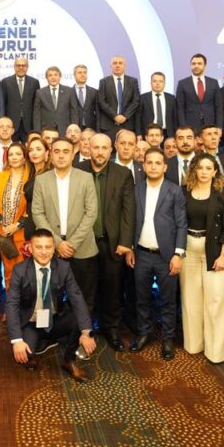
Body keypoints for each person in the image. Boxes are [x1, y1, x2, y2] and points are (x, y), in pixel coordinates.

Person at [5, 228, 96, 381]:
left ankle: (69, 360)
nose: (43, 252)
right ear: (30, 248)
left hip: (54, 320)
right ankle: (36, 345)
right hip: (31, 322)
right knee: (24, 354)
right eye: (39, 247)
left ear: (54, 248)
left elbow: (77, 298)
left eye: (48, 247)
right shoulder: (20, 270)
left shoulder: (63, 267)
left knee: (78, 320)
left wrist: (86, 332)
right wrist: (16, 341)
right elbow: (11, 304)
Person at [31, 137, 99, 317]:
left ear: (73, 155)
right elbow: (37, 213)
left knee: (82, 297)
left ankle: (82, 330)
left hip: (82, 248)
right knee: (50, 296)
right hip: (50, 249)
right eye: (57, 151)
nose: (61, 156)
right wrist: (57, 242)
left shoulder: (86, 178)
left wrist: (72, 243)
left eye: (66, 151)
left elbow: (91, 213)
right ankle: (48, 330)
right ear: (50, 155)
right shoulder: (41, 180)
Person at [178, 154, 224, 364]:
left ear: (215, 172)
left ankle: (215, 352)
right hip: (188, 249)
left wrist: (223, 255)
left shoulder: (223, 193)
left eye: (208, 168)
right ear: (193, 170)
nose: (203, 172)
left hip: (215, 251)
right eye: (200, 167)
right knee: (190, 300)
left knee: (215, 302)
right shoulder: (183, 191)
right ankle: (194, 345)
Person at [129, 148, 186, 359]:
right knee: (142, 298)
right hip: (141, 253)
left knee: (168, 300)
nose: (153, 166)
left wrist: (178, 254)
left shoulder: (174, 191)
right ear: (143, 166)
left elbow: (181, 224)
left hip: (167, 255)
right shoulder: (136, 189)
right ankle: (143, 333)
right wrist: (130, 248)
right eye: (149, 162)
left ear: (164, 167)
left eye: (157, 163)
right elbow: (130, 221)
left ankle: (168, 338)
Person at [85, 132, 135, 351]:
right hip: (84, 241)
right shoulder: (78, 170)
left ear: (111, 150)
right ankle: (85, 328)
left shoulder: (123, 174)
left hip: (112, 242)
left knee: (112, 288)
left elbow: (128, 210)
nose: (100, 152)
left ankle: (111, 327)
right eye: (96, 147)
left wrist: (126, 241)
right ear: (88, 149)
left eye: (104, 148)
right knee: (85, 287)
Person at [0, 142, 31, 293]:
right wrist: (2, 224)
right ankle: (11, 302)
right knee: (8, 271)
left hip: (22, 231)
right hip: (4, 233)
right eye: (11, 154)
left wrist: (17, 225)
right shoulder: (1, 176)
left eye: (18, 154)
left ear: (24, 157)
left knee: (24, 271)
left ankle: (25, 303)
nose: (14, 157)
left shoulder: (31, 177)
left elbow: (32, 206)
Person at [175, 53, 222, 130]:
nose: (196, 66)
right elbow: (180, 107)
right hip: (190, 125)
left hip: (210, 124)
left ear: (205, 65)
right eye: (193, 64)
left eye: (199, 63)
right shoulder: (182, 83)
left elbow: (218, 107)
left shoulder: (214, 82)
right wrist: (183, 127)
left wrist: (219, 127)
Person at [97, 55, 139, 140]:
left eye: (120, 63)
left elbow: (135, 101)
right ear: (110, 66)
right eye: (115, 63)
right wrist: (115, 116)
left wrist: (125, 116)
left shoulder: (133, 81)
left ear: (125, 66)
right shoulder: (103, 82)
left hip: (127, 124)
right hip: (109, 125)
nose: (117, 65)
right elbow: (101, 101)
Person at [1, 58, 38, 142]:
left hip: (28, 125)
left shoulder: (34, 82)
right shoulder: (6, 82)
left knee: (28, 148)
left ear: (27, 67)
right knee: (11, 148)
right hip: (11, 125)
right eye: (18, 65)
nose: (21, 68)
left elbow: (36, 105)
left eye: (23, 65)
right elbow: (3, 104)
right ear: (14, 67)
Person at [33, 66, 73, 132]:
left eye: (55, 75)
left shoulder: (69, 91)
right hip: (46, 129)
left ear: (60, 77)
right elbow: (37, 114)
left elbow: (73, 111)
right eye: (50, 75)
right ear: (46, 78)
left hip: (65, 128)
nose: (53, 77)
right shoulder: (40, 92)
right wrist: (37, 131)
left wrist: (74, 128)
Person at [69, 64, 99, 131]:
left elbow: (98, 113)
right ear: (74, 75)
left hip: (91, 128)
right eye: (80, 72)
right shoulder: (68, 92)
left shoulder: (94, 92)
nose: (83, 75)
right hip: (74, 128)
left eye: (85, 72)